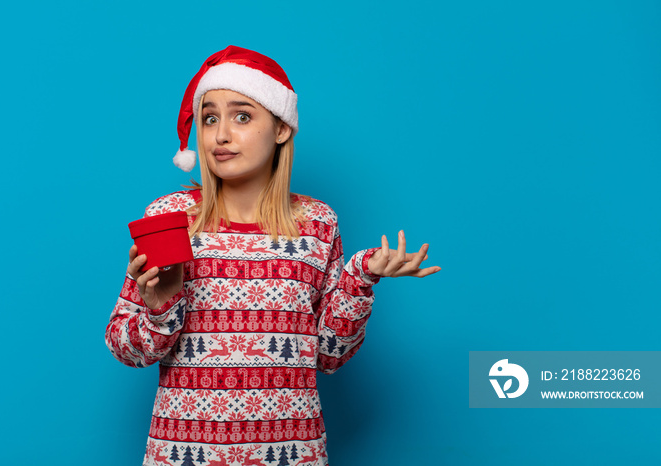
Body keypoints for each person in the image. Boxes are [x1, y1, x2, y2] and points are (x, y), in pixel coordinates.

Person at [106, 45, 440, 466]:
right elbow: (124, 348)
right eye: (210, 118)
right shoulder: (170, 217)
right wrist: (159, 309)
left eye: (242, 116)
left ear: (281, 128)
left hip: (292, 454)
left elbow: (328, 356)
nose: (220, 135)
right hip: (183, 454)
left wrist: (361, 275)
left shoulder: (318, 224)